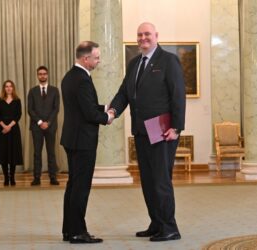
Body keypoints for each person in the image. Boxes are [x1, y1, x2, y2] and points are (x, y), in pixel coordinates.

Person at [109, 22, 186, 242]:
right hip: (141, 130)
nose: (143, 38)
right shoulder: (134, 63)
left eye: (147, 34)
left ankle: (170, 227)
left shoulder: (169, 60)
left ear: (156, 36)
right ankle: (156, 223)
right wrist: (113, 110)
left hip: (162, 129)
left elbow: (178, 95)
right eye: (140, 35)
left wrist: (177, 127)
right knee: (148, 180)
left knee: (161, 180)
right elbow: (124, 92)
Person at [60, 41, 114, 244]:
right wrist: (107, 117)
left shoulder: (70, 76)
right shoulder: (82, 79)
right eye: (96, 57)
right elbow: (89, 113)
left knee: (73, 186)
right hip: (82, 141)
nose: (98, 61)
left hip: (72, 138)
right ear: (85, 58)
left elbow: (83, 106)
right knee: (80, 187)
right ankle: (77, 232)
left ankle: (69, 230)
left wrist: (105, 107)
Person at [28, 66, 60, 186]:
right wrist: (40, 122)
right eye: (40, 74)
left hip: (51, 127)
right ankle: (37, 177)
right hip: (37, 127)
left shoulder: (55, 90)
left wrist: (48, 122)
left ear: (47, 75)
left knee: (51, 152)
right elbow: (30, 110)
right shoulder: (32, 91)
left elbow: (56, 108)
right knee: (37, 152)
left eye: (44, 74)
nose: (42, 76)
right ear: (37, 75)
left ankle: (53, 177)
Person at [0, 80, 23, 186]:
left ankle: (12, 177)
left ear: (13, 88)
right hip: (2, 130)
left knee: (13, 154)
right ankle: (6, 178)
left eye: (10, 86)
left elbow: (18, 115)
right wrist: (4, 126)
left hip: (13, 129)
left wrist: (9, 126)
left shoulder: (17, 100)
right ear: (4, 88)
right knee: (3, 154)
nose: (8, 88)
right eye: (6, 86)